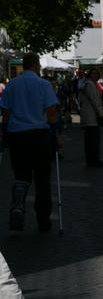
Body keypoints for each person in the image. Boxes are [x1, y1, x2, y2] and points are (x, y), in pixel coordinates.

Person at [0, 52, 61, 231]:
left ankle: (18, 208)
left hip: (17, 135)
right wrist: (56, 134)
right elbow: (51, 111)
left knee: (21, 176)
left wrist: (4, 134)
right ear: (36, 66)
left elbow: (5, 113)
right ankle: (43, 218)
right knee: (42, 178)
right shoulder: (43, 84)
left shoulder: (11, 85)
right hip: (39, 135)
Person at [79, 68, 103, 167]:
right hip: (91, 117)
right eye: (93, 74)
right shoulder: (89, 85)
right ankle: (93, 160)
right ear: (89, 75)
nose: (95, 75)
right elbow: (95, 101)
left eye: (96, 74)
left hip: (89, 116)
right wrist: (101, 114)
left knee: (90, 140)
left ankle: (92, 160)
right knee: (93, 140)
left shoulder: (89, 84)